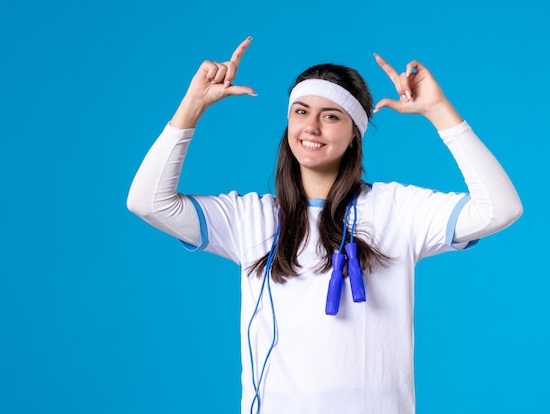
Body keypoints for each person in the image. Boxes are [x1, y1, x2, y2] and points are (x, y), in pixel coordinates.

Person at [126, 37, 522, 414]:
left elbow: (500, 209)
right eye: (301, 112)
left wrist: (439, 111)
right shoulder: (251, 217)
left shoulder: (398, 209)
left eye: (331, 116)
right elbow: (147, 202)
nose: (311, 128)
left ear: (355, 135)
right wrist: (192, 106)